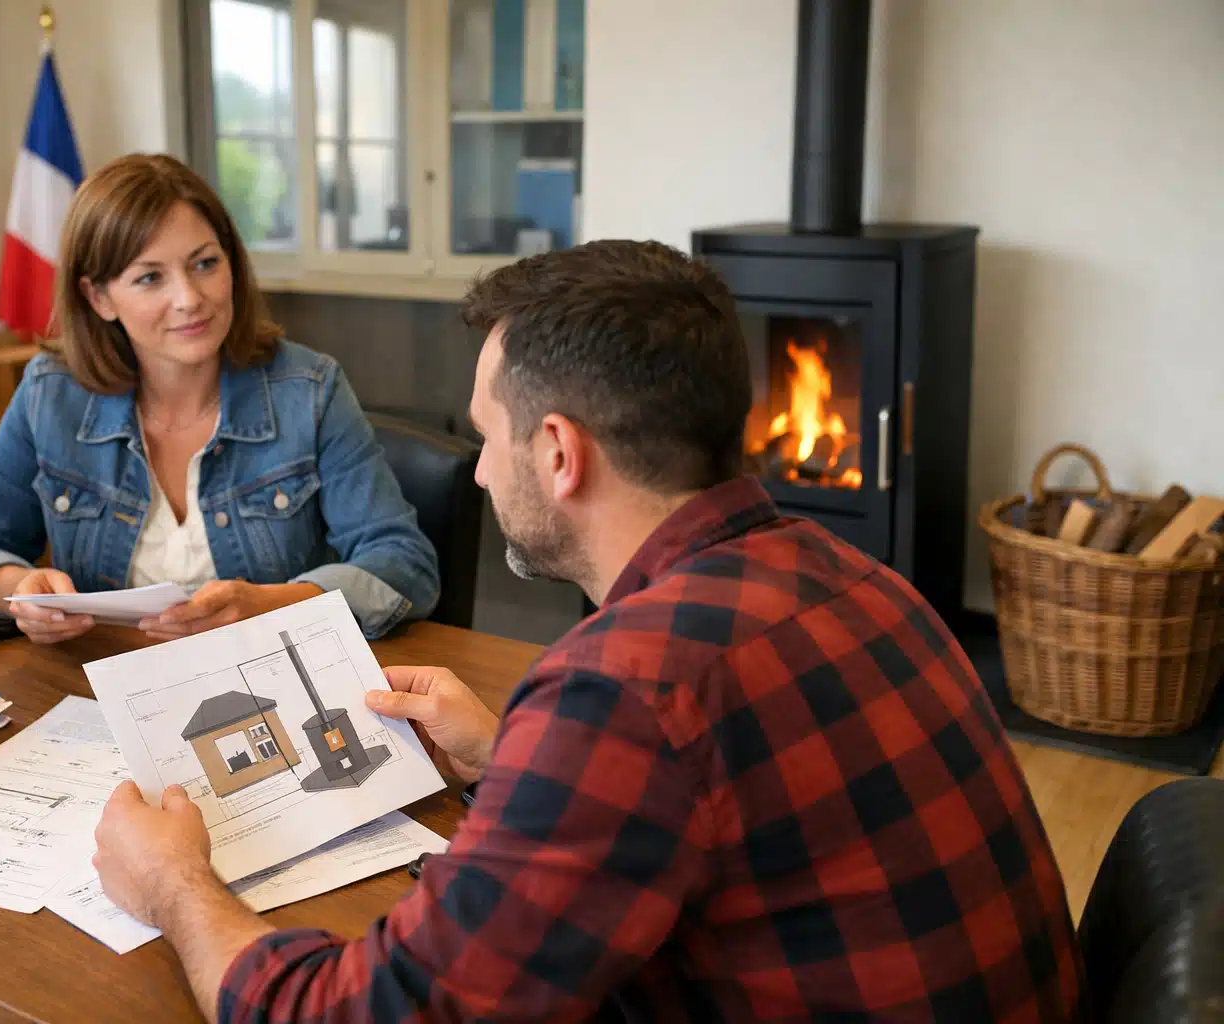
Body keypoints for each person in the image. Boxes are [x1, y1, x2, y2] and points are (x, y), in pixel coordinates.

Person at [91, 241, 1085, 1020]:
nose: (479, 471)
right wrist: (509, 755)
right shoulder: (858, 576)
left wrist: (176, 883)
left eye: (489, 435)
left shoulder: (627, 690)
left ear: (559, 452)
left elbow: (361, 1013)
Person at [0, 154, 438, 642]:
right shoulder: (51, 393)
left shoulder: (309, 388)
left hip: (267, 677)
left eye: (204, 264)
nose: (190, 298)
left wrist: (271, 604)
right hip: (103, 686)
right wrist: (18, 591)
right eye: (150, 277)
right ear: (99, 298)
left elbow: (402, 565)